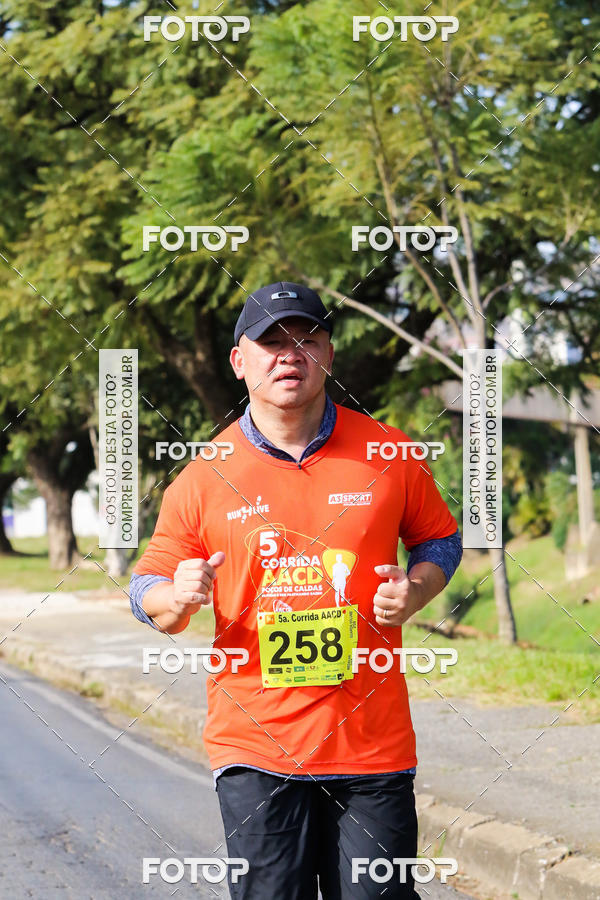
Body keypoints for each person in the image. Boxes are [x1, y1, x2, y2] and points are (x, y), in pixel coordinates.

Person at [129, 281, 462, 899]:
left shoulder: (388, 450)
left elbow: (440, 540)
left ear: (328, 355)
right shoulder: (204, 474)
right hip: (256, 745)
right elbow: (145, 582)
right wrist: (175, 599)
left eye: (306, 340)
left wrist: (416, 590)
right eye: (271, 343)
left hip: (371, 744)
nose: (291, 355)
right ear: (240, 362)